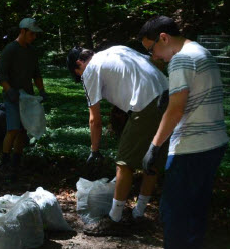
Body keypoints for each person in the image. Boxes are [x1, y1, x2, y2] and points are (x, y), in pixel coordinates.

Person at [136, 15, 229, 249]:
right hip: (214, 142)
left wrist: (154, 146)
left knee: (173, 212)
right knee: (195, 211)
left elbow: (176, 109)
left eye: (152, 49)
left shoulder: (180, 59)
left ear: (163, 38)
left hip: (192, 146)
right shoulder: (201, 51)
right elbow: (190, 97)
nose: (155, 57)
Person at [67, 45, 169, 234]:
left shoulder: (90, 70)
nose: (81, 77)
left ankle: (115, 219)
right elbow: (154, 63)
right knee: (151, 160)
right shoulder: (117, 50)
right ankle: (139, 214)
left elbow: (94, 120)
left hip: (147, 103)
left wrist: (94, 150)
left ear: (79, 64)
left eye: (78, 74)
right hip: (169, 97)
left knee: (124, 162)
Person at [0, 17, 47, 179]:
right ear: (23, 31)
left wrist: (42, 90)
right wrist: (9, 90)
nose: (34, 37)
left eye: (35, 35)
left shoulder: (31, 51)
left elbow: (36, 74)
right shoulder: (10, 49)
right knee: (13, 129)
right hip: (12, 96)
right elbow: (1, 74)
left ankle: (16, 161)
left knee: (23, 131)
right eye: (31, 34)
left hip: (27, 96)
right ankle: (4, 160)